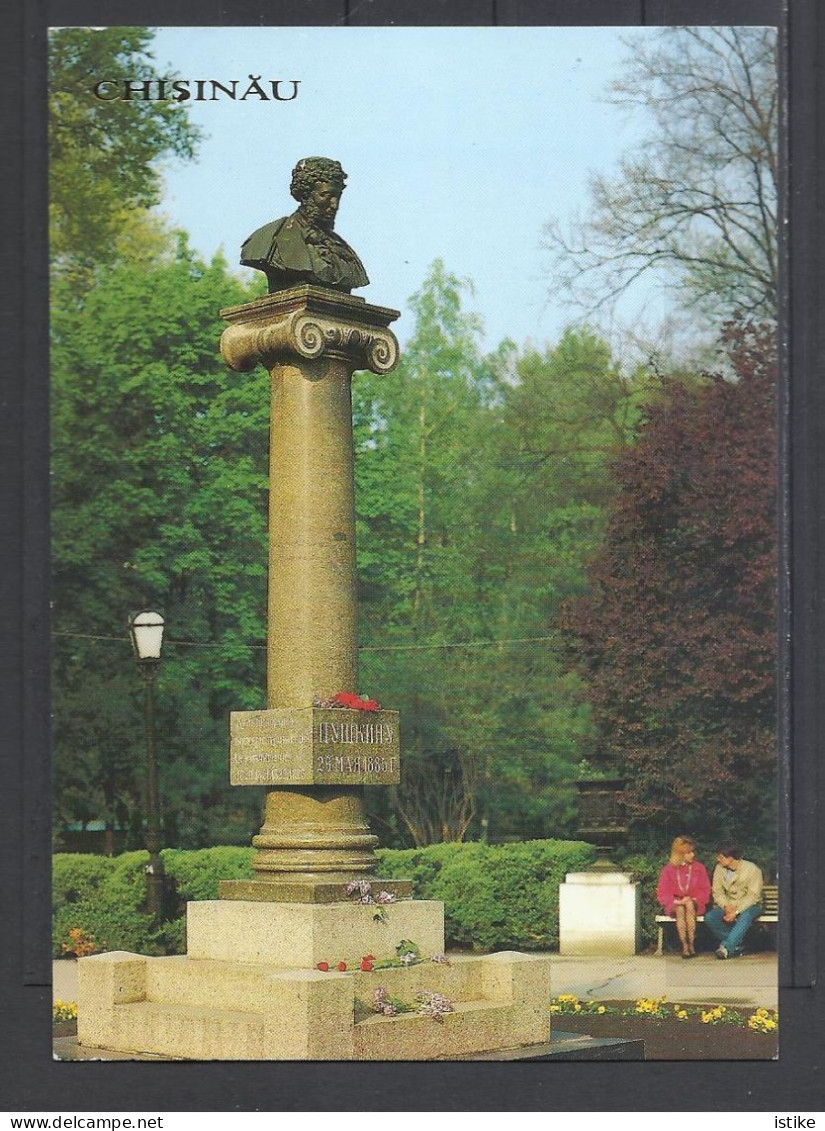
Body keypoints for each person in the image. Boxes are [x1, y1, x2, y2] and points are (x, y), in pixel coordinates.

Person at [240, 156, 369, 294]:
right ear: (304, 195)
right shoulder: (268, 240)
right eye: (325, 195)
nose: (334, 205)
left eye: (337, 196)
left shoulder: (343, 249)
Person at [656, 835, 711, 958]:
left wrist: (692, 899)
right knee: (680, 909)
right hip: (675, 904)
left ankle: (691, 943)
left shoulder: (699, 868)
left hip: (695, 903)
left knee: (690, 905)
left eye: (692, 852)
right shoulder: (668, 870)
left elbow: (705, 889)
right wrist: (677, 901)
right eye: (688, 853)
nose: (692, 855)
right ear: (680, 854)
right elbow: (663, 892)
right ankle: (684, 945)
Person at [704, 844, 763, 959]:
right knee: (710, 917)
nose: (718, 860)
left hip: (750, 905)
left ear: (730, 857)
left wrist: (735, 912)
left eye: (721, 857)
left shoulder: (752, 869)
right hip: (728, 905)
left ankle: (726, 947)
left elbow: (753, 896)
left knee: (746, 916)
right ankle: (737, 944)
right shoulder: (719, 868)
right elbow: (717, 892)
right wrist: (726, 906)